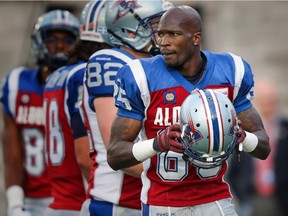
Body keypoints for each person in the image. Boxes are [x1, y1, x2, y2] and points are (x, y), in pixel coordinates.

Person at [107, 5, 270, 216]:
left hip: (216, 200)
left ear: (196, 38)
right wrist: (157, 144)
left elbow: (263, 146)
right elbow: (114, 155)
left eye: (173, 34)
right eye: (160, 34)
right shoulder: (141, 77)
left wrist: (242, 138)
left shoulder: (231, 71)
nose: (163, 42)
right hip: (163, 203)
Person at [80, 0, 173, 215]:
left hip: (154, 200)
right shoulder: (110, 62)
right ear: (131, 30)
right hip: (117, 204)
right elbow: (119, 154)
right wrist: (184, 169)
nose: (168, 33)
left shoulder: (161, 66)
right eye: (158, 25)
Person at [0, 9, 80, 216]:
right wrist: (15, 204)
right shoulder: (17, 83)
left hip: (75, 197)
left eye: (67, 40)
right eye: (52, 39)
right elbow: (12, 155)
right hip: (32, 200)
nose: (60, 45)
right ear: (39, 42)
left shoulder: (83, 82)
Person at [42, 2, 112, 215]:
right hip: (79, 202)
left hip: (59, 201)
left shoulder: (58, 75)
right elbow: (83, 157)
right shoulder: (85, 75)